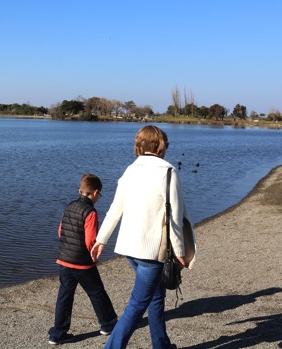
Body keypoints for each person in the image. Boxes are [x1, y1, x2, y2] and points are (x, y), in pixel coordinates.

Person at [91, 125, 196, 349]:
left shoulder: (130, 170)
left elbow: (114, 209)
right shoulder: (168, 172)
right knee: (137, 305)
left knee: (156, 297)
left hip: (130, 249)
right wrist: (179, 253)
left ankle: (162, 345)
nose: (166, 148)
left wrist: (101, 240)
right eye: (165, 144)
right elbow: (175, 218)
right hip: (152, 253)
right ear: (159, 146)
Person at [48, 173, 118, 345]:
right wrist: (94, 254)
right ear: (95, 193)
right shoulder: (90, 212)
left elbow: (60, 232)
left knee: (65, 295)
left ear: (80, 191)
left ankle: (58, 333)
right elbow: (89, 240)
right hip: (82, 262)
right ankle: (108, 323)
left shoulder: (69, 206)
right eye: (99, 195)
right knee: (97, 292)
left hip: (64, 260)